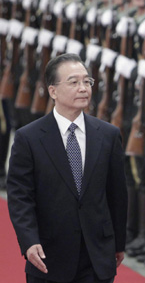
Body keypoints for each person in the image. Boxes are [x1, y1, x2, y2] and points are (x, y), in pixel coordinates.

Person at [7, 53, 128, 283]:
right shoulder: (29, 138)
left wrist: (118, 243)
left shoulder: (108, 135)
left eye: (87, 81)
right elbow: (20, 196)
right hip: (48, 257)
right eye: (73, 82)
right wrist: (29, 241)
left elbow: (117, 195)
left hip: (96, 257)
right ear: (53, 91)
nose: (83, 88)